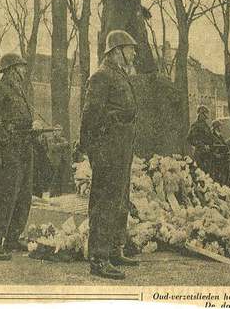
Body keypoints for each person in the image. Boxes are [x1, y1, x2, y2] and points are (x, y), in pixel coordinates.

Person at [79, 30, 139, 280]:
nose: (134, 53)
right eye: (130, 49)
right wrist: (92, 150)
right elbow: (89, 116)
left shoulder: (119, 75)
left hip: (121, 149)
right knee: (104, 203)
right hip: (108, 150)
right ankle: (99, 259)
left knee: (120, 199)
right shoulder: (102, 76)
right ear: (117, 51)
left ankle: (115, 249)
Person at [0, 53, 34, 260]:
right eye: (20, 68)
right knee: (3, 195)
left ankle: (12, 237)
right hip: (7, 151)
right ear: (11, 70)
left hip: (23, 149)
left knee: (23, 195)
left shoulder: (19, 91)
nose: (23, 72)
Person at [186, 105, 213, 175]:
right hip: (199, 153)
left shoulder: (207, 126)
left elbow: (210, 138)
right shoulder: (195, 125)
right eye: (203, 115)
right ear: (200, 114)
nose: (205, 118)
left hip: (207, 153)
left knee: (207, 173)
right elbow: (189, 138)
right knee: (200, 173)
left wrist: (209, 145)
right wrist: (200, 144)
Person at [48, 125, 71, 197]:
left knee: (60, 176)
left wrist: (59, 145)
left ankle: (59, 193)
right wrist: (62, 145)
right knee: (54, 177)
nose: (58, 132)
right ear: (54, 132)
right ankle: (52, 193)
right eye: (56, 130)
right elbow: (53, 148)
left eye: (59, 130)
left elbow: (68, 146)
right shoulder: (50, 139)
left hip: (62, 161)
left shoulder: (63, 139)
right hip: (54, 161)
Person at [211, 119, 228, 185]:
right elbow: (211, 147)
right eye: (220, 126)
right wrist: (216, 154)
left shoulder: (220, 136)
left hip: (222, 159)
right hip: (215, 160)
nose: (221, 127)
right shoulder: (212, 136)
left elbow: (225, 146)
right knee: (216, 177)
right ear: (216, 127)